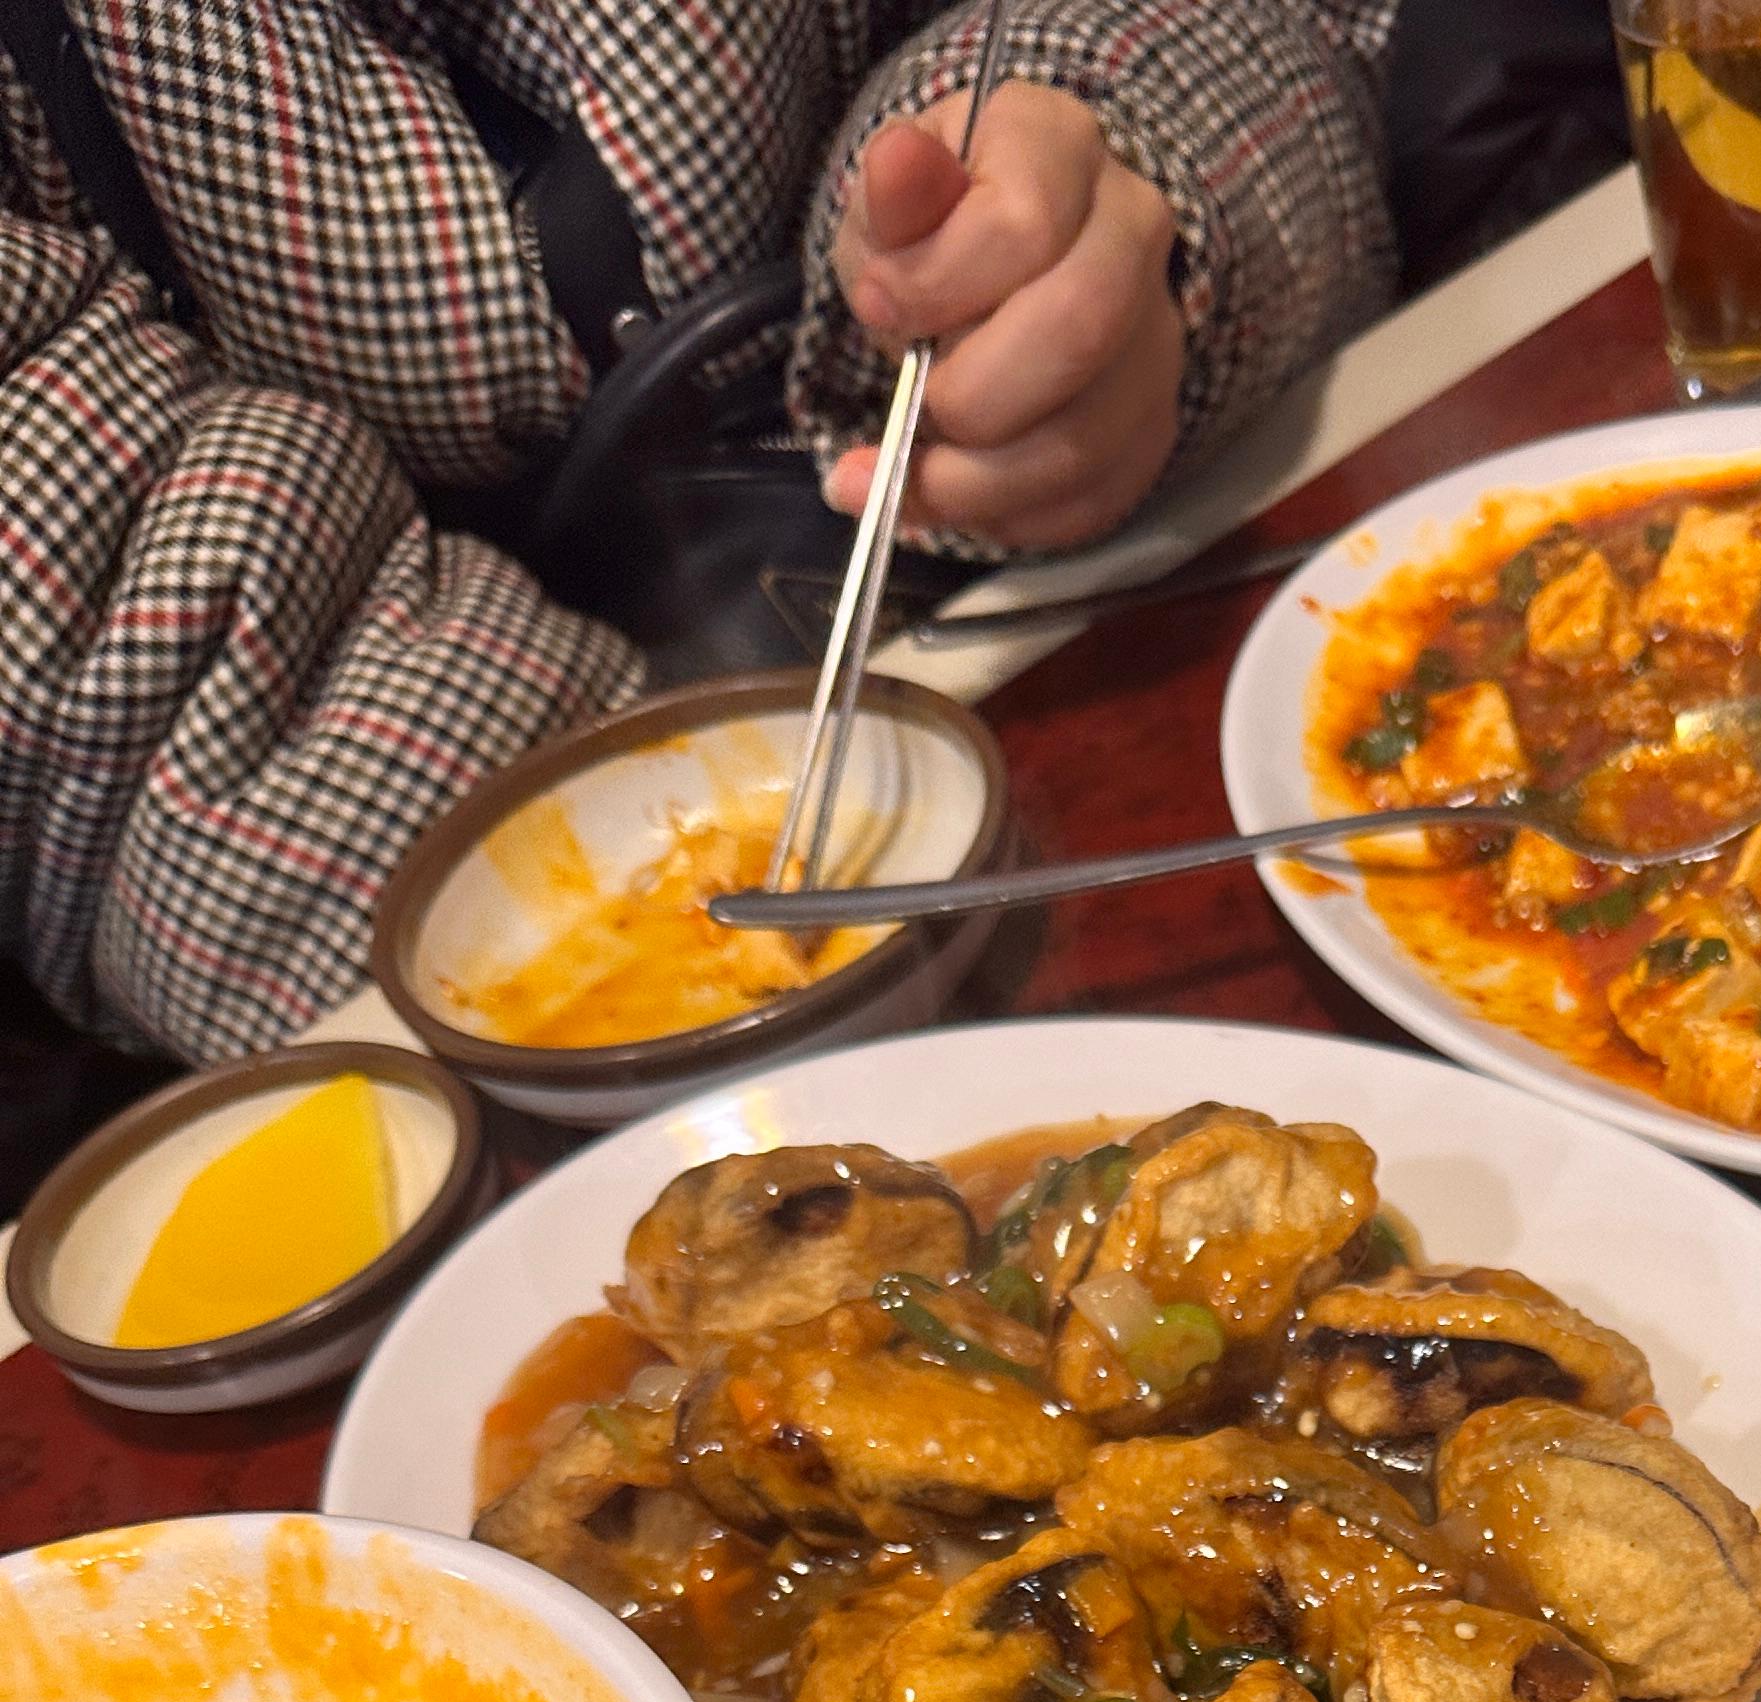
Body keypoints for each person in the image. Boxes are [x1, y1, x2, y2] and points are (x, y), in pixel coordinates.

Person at [0, 2, 1412, 1070]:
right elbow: (89, 584)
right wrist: (591, 1005)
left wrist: (1119, 175)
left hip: (1163, 603)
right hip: (402, 925)